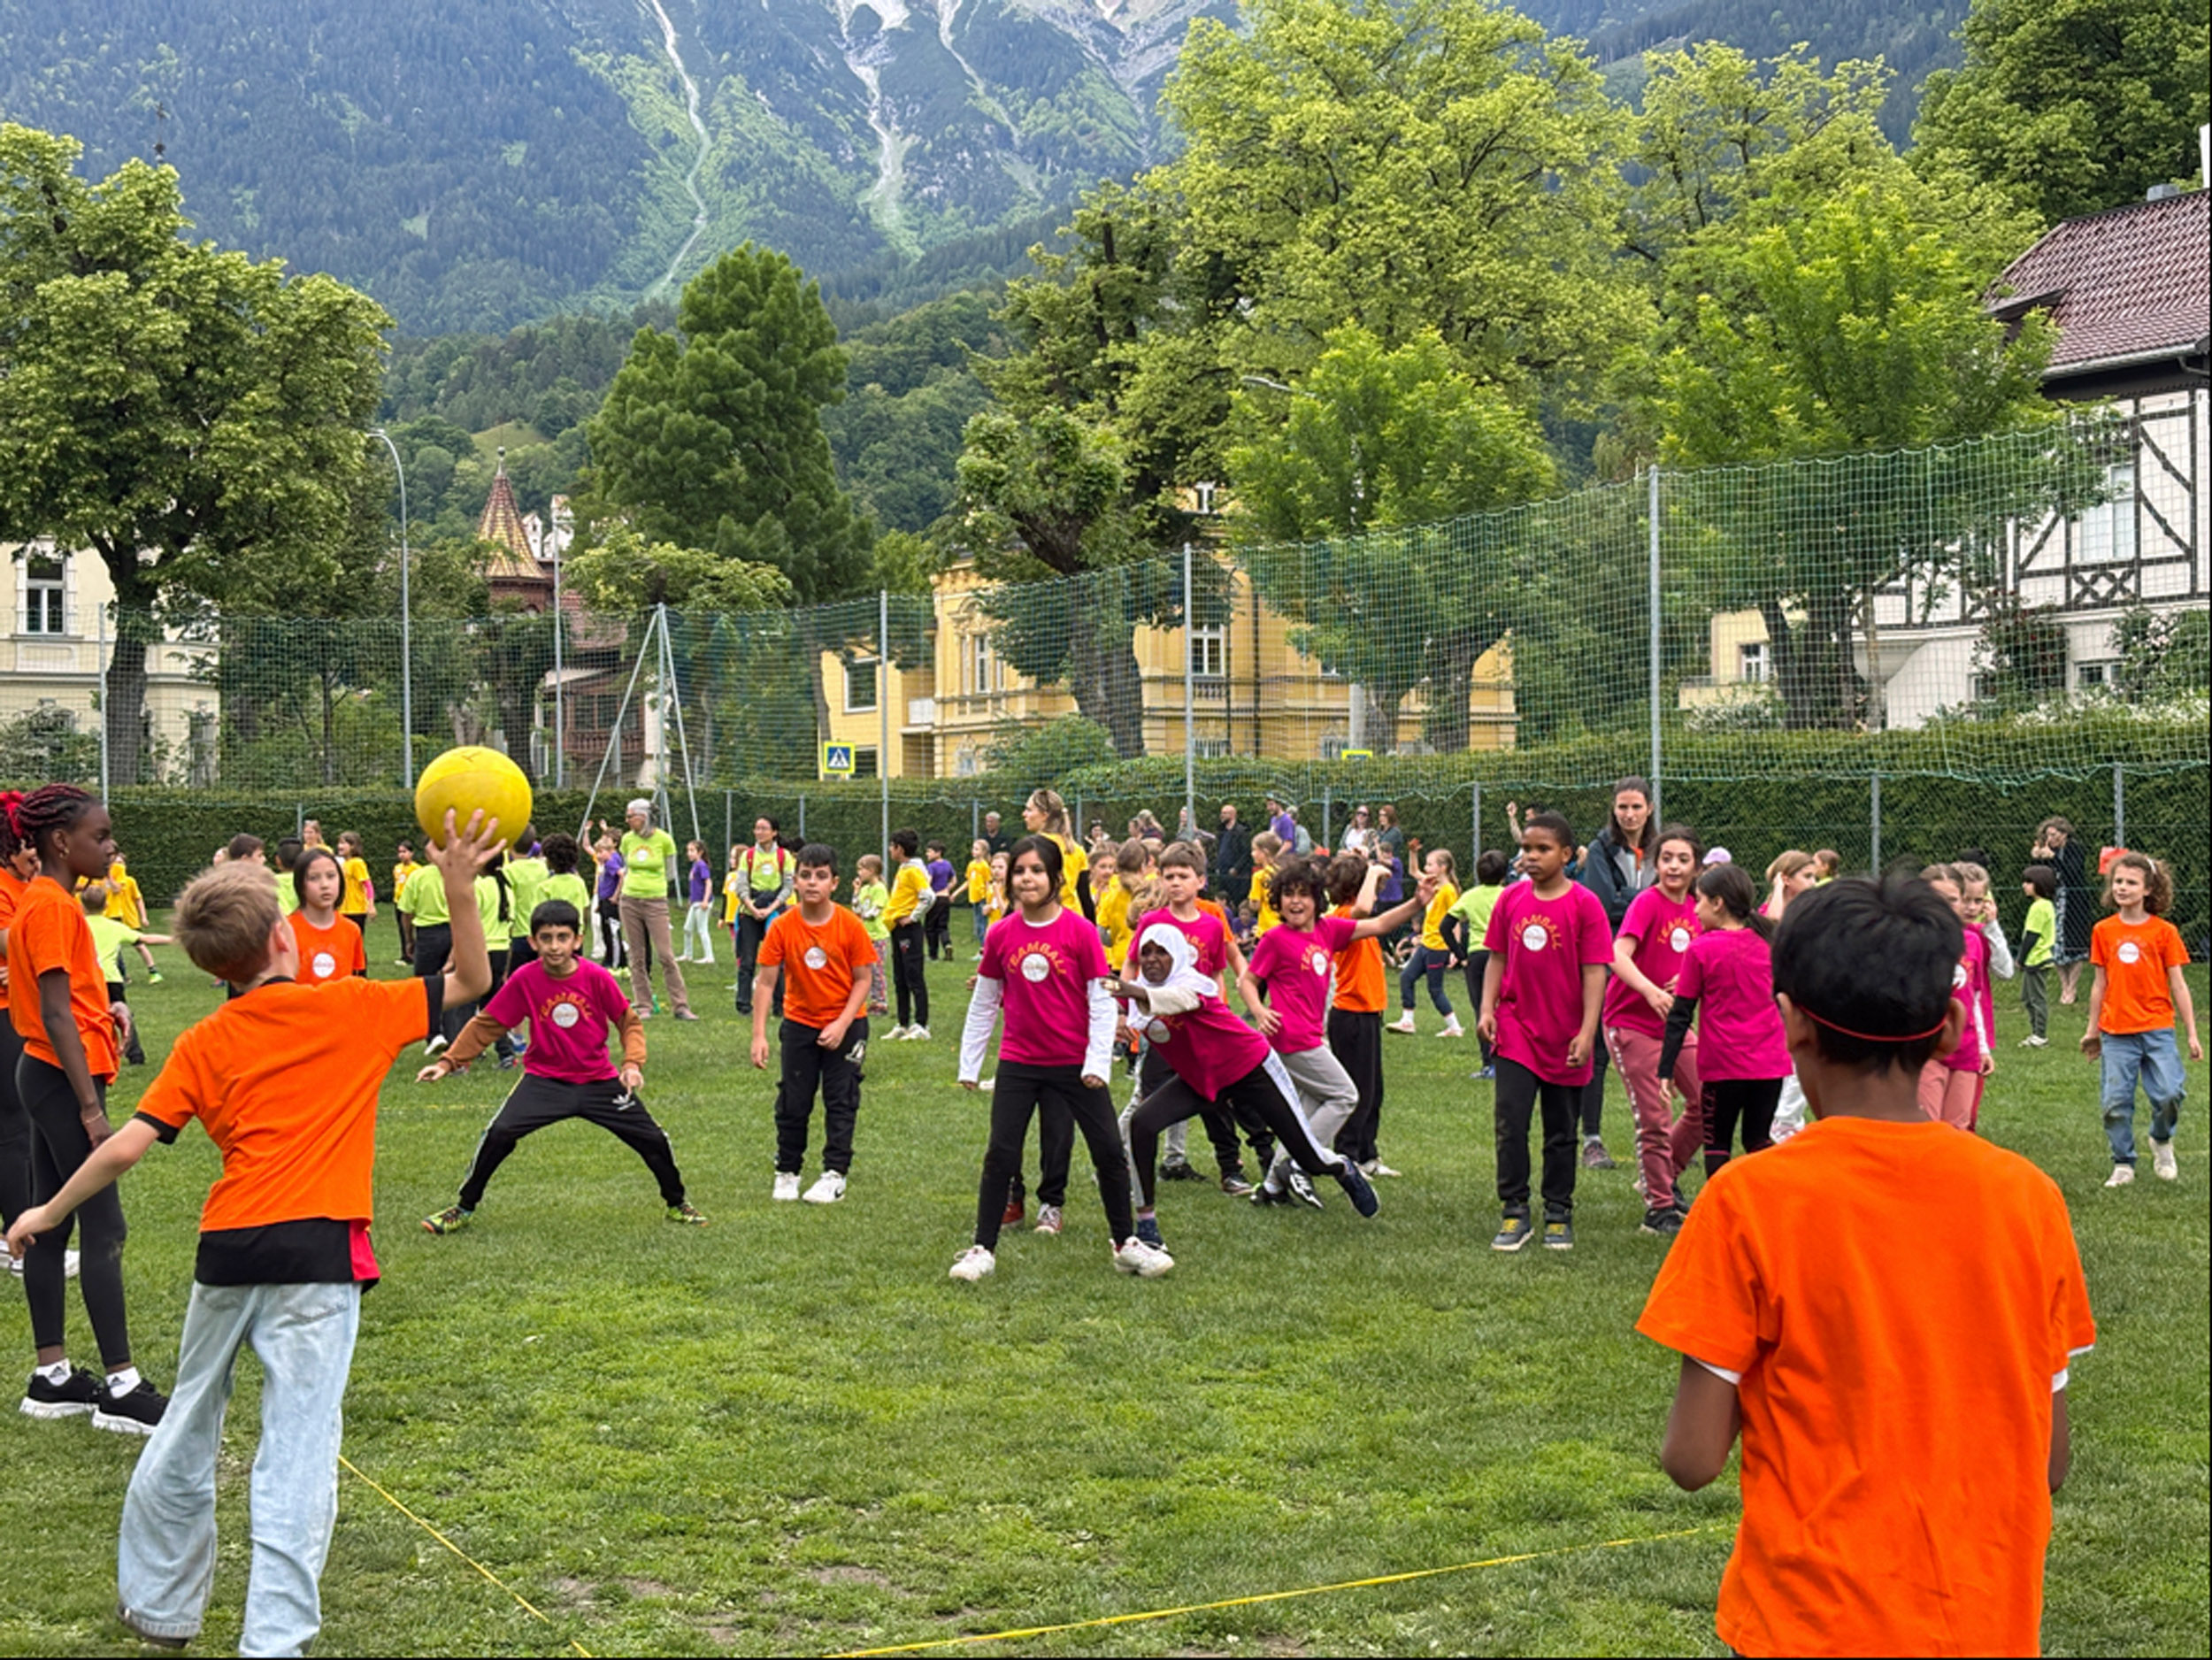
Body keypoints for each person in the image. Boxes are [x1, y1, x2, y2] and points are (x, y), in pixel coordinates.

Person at [6, 811, 502, 1655]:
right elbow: (470, 981)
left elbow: (129, 1141)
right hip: (317, 1257)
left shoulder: (206, 1038)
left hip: (228, 1252)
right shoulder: (354, 1007)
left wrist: (47, 1212)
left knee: (187, 1424)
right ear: (283, 937)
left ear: (211, 966)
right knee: (298, 1451)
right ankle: (271, 1639)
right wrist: (458, 888)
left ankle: (161, 1607)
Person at [1638, 872, 2095, 1660]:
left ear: (1790, 1025)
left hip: (1806, 1626)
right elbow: (2048, 1464)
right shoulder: (2029, 1198)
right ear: (1952, 1025)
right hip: (1985, 1622)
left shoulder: (1748, 1200)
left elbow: (1691, 1458)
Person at [2, 785, 165, 1432]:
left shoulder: (55, 903)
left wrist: (112, 1010)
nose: (111, 846)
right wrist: (91, 1109)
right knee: (105, 1224)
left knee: (51, 1219)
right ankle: (122, 1387)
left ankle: (52, 1377)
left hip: (46, 1076)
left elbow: (74, 999)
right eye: (101, 837)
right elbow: (53, 1012)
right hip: (54, 1079)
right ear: (61, 843)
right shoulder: (48, 905)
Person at [950, 836, 1170, 1281]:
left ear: (1055, 878)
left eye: (1036, 871)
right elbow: (986, 1001)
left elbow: (1101, 999)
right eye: (1019, 871)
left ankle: (1126, 1243)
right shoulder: (1001, 934)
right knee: (1001, 1154)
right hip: (1019, 1062)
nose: (1026, 878)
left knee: (1109, 1150)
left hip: (1074, 1064)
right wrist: (969, 1066)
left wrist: (1095, 1064)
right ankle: (982, 1249)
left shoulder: (1080, 931)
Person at [419, 898, 704, 1233]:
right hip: (545, 1082)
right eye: (546, 938)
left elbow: (629, 1022)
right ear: (533, 941)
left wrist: (632, 1064)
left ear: (577, 939)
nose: (554, 946)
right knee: (499, 1134)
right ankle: (463, 1208)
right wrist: (449, 1061)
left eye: (562, 937)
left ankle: (677, 1203)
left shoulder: (596, 978)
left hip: (600, 1082)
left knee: (653, 1140)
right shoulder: (526, 979)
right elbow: (488, 1024)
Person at [1117, 923, 1379, 1253]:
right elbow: (1107, 1009)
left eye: (1161, 952)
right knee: (1142, 1123)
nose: (1152, 960)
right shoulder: (1137, 996)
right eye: (1146, 953)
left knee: (1308, 1157)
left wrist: (1130, 992)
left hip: (1251, 1069)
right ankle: (1147, 1225)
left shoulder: (1193, 984)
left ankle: (1341, 1167)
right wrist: (1113, 1012)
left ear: (1179, 956)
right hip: (1201, 1080)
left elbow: (1175, 1000)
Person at [1241, 857, 1433, 1208]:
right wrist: (1259, 1010)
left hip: (1313, 1036)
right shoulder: (1275, 939)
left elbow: (1376, 924)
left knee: (1306, 1111)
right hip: (1291, 1038)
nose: (1295, 901)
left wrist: (1417, 903)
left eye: (1303, 894)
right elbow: (1248, 981)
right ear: (1278, 901)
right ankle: (1302, 1161)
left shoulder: (1327, 931)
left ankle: (1272, 1186)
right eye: (1287, 895)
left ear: (1317, 899)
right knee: (1345, 1095)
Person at [1479, 811, 1610, 1253]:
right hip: (1516, 1029)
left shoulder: (1585, 905)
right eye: (1526, 849)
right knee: (1510, 1122)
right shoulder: (1510, 900)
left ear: (1566, 855)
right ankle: (1514, 1210)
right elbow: (1497, 957)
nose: (1530, 857)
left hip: (1567, 1034)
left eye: (1542, 849)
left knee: (1561, 1129)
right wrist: (1486, 1009)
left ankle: (1558, 1210)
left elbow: (1596, 970)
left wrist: (1588, 1031)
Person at [1121, 842, 1270, 1198]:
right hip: (1164, 1030)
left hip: (1204, 1031)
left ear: (1199, 880)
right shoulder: (1152, 922)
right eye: (1168, 876)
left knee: (1218, 1097)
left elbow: (1218, 971)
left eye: (1183, 876)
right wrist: (1129, 1013)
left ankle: (1233, 1167)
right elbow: (1132, 966)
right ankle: (1121, 1163)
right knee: (1147, 1096)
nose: (1175, 883)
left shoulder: (1212, 922)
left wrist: (1223, 1007)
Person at [751, 843, 875, 1205]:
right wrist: (759, 1034)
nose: (812, 883)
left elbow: (863, 980)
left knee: (841, 1099)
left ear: (834, 882)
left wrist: (841, 1023)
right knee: (793, 1100)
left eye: (821, 876)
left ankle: (834, 1174)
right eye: (805, 875)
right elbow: (766, 982)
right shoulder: (782, 926)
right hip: (800, 1024)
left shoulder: (849, 925)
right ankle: (787, 1170)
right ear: (795, 881)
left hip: (847, 1024)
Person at [1658, 864, 1790, 1183]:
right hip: (1770, 1066)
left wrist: (1666, 1069)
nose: (1696, 909)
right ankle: (1770, 1203)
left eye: (1700, 900)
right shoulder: (1770, 945)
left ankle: (1724, 1217)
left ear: (1718, 903)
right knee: (1758, 1140)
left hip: (1723, 1067)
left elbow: (1680, 1014)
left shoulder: (1701, 949)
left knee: (1717, 1145)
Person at [1603, 827, 1703, 1237]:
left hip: (1675, 1027)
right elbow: (1615, 953)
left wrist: (1684, 980)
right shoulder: (1647, 903)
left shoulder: (1698, 909)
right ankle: (1659, 1209)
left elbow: (1701, 960)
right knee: (1655, 1117)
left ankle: (1662, 1177)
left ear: (1696, 867)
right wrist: (1647, 989)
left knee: (1707, 1099)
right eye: (1667, 859)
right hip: (1632, 1024)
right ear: (1654, 864)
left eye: (1682, 859)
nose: (1674, 866)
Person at [2082, 851, 2199, 1187]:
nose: (2122, 887)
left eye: (2131, 882)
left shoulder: (2164, 932)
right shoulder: (2103, 931)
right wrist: (2092, 1031)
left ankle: (2161, 1140)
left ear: (2148, 889)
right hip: (2116, 1032)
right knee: (2115, 1103)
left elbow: (2178, 984)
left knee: (2169, 1094)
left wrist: (2191, 1033)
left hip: (2158, 1028)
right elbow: (2099, 984)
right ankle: (2123, 1163)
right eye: (2118, 881)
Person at [1323, 854, 1394, 1178]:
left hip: (1367, 1014)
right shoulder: (1342, 917)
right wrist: (1374, 870)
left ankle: (1368, 1154)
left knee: (1373, 1090)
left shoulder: (1356, 918)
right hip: (1349, 1014)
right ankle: (1347, 1154)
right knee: (1356, 1091)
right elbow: (1363, 908)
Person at [1915, 865, 1993, 1131]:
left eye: (1952, 900)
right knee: (1927, 1126)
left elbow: (1975, 998)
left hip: (1966, 1047)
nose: (1945, 907)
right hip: (1927, 1047)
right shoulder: (1910, 941)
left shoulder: (1971, 942)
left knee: (1958, 1129)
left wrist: (1982, 1047)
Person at [617, 800, 695, 1020]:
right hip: (629, 900)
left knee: (666, 955)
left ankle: (680, 1005)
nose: (627, 820)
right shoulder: (627, 840)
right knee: (637, 955)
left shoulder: (664, 840)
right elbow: (626, 866)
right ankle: (643, 1004)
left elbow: (670, 873)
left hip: (656, 902)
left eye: (631, 815)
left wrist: (653, 886)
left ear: (643, 816)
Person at [83, 883, 173, 1068]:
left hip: (87, 978)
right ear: (106, 905)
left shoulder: (78, 924)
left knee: (86, 1016)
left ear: (82, 905)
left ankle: (88, 1053)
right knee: (123, 1017)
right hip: (112, 978)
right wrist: (174, 938)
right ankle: (136, 1055)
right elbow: (145, 939)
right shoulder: (114, 927)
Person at [1448, 850, 1511, 1076]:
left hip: (1477, 955)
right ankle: (1508, 1058)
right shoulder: (1509, 895)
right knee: (1506, 1006)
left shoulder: (1470, 896)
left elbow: (1446, 925)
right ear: (1504, 874)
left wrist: (1459, 953)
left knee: (1481, 1008)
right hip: (1505, 955)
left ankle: (1488, 1064)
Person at [1387, 848, 1462, 1038]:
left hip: (1439, 947)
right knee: (1406, 977)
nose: (1426, 868)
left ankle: (1454, 1027)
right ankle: (1407, 1021)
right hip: (1426, 945)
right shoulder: (1433, 885)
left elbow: (1456, 921)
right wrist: (1412, 853)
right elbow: (1414, 872)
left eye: (1430, 864)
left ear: (1443, 868)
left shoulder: (1448, 891)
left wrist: (1455, 950)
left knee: (1435, 989)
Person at [730, 817, 795, 1016]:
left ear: (774, 832)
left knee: (776, 960)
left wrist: (772, 907)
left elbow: (788, 886)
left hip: (775, 910)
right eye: (757, 828)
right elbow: (741, 885)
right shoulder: (747, 856)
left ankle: (779, 1005)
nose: (759, 832)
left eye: (764, 829)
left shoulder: (784, 856)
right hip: (751, 910)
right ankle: (743, 1004)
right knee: (747, 959)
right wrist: (751, 906)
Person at [2031, 815, 2093, 1003]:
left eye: (2054, 835)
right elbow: (2040, 878)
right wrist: (2038, 858)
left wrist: (2053, 859)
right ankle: (2064, 986)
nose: (2051, 839)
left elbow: (2072, 874)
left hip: (2074, 903)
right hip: (2054, 902)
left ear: (2064, 834)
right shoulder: (2048, 851)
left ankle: (2072, 988)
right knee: (2055, 944)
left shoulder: (2075, 850)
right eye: (2048, 835)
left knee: (2074, 946)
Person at [287, 847, 368, 986]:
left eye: (331, 876)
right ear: (300, 885)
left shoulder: (351, 930)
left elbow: (358, 981)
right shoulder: (286, 931)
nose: (325, 885)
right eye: (314, 878)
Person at [882, 828, 933, 1040]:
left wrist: (912, 917)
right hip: (896, 928)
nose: (889, 850)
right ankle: (902, 1023)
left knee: (913, 976)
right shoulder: (904, 869)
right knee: (899, 977)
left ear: (899, 849)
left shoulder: (913, 871)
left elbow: (928, 896)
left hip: (908, 930)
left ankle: (921, 1024)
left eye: (891, 846)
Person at [1020, 788, 1093, 922]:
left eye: (1029, 810)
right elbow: (1085, 898)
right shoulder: (1076, 849)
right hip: (1073, 921)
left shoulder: (1034, 847)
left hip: (1045, 920)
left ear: (1044, 815)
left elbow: (1020, 894)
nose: (1024, 814)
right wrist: (1092, 934)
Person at [103, 855, 161, 983]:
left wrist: (143, 917)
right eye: (115, 863)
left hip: (129, 918)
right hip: (114, 917)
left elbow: (138, 899)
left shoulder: (129, 881)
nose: (118, 865)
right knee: (114, 948)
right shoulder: (103, 880)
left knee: (139, 945)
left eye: (120, 863)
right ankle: (121, 975)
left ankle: (153, 971)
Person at [2018, 864, 2057, 1047]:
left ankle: (2040, 1035)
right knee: (2027, 997)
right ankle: (2035, 1033)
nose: (2024, 886)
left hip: (2037, 959)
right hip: (2035, 959)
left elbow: (2032, 936)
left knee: (2036, 999)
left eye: (2028, 882)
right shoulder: (2044, 905)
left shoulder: (2039, 907)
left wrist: (2021, 958)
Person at [851, 855, 893, 1017]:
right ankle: (869, 1001)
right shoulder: (864, 889)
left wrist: (862, 915)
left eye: (862, 869)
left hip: (878, 936)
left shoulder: (880, 889)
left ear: (872, 870)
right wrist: (856, 892)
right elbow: (856, 909)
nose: (859, 873)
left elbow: (874, 912)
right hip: (865, 935)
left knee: (877, 970)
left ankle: (880, 1002)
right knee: (863, 970)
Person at [676, 839, 716, 966]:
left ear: (700, 852)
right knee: (687, 928)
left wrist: (705, 901)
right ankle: (688, 954)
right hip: (695, 902)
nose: (689, 853)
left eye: (692, 850)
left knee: (702, 929)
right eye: (688, 850)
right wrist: (691, 900)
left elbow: (708, 883)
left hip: (702, 903)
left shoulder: (701, 865)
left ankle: (709, 957)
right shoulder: (695, 865)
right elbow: (695, 885)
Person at [538, 833, 592, 921]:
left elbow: (541, 914)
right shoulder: (579, 882)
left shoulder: (544, 886)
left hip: (554, 931)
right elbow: (585, 909)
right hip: (575, 931)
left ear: (549, 860)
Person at [334, 830, 376, 943]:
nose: (339, 846)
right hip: (343, 909)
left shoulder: (357, 863)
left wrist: (371, 905)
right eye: (339, 843)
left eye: (343, 843)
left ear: (353, 846)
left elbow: (367, 884)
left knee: (355, 941)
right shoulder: (344, 864)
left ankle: (360, 961)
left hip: (356, 909)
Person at [592, 832, 626, 969]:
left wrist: (615, 896)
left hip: (610, 901)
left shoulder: (611, 862)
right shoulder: (610, 860)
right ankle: (610, 957)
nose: (598, 856)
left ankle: (618, 961)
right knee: (606, 931)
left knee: (612, 932)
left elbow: (622, 876)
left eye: (601, 852)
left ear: (610, 850)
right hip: (604, 900)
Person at [1212, 803, 1253, 911]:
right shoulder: (1221, 831)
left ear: (1233, 814)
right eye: (1221, 813)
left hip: (1237, 875)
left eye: (1225, 813)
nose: (1222, 816)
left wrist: (1236, 868)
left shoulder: (1241, 832)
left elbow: (1246, 853)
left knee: (1236, 901)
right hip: (1223, 872)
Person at [923, 839, 956, 962]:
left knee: (930, 927)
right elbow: (954, 880)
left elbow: (928, 881)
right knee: (942, 926)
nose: (927, 854)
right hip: (945, 898)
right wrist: (947, 889)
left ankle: (933, 954)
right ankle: (947, 944)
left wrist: (925, 892)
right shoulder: (948, 864)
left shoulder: (931, 867)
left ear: (938, 852)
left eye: (930, 852)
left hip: (935, 899)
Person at [390, 840, 420, 966]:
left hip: (411, 903)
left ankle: (415, 954)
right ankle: (405, 955)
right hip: (398, 902)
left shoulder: (416, 869)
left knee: (412, 929)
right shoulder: (397, 868)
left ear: (411, 853)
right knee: (402, 929)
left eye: (405, 852)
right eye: (400, 852)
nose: (402, 855)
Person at [964, 838, 993, 951]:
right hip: (973, 897)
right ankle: (983, 948)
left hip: (982, 898)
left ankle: (984, 948)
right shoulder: (971, 865)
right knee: (978, 924)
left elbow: (987, 882)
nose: (973, 851)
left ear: (983, 852)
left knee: (982, 924)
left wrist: (987, 897)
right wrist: (955, 893)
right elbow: (969, 881)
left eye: (976, 849)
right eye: (973, 848)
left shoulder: (985, 866)